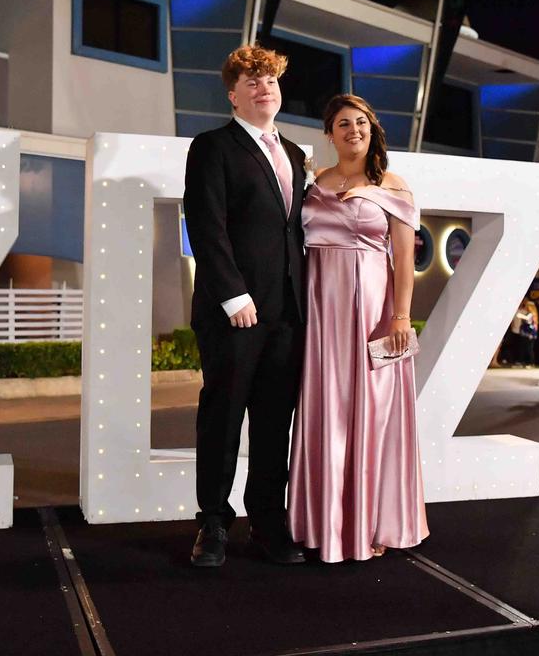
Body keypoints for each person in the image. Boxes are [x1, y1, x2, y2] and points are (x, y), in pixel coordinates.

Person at [287, 93, 428, 563]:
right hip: (321, 312)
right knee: (327, 412)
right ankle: (322, 524)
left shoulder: (393, 185)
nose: (354, 130)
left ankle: (372, 522)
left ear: (373, 130)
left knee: (372, 411)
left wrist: (401, 317)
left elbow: (404, 261)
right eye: (344, 123)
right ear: (330, 134)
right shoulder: (313, 184)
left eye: (362, 122)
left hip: (372, 309)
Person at [183, 45, 307, 567]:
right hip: (234, 310)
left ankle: (266, 521)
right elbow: (205, 226)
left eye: (270, 81)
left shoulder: (297, 156)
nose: (264, 88)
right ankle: (213, 523)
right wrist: (234, 294)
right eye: (252, 82)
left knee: (276, 421)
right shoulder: (212, 147)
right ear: (232, 94)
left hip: (287, 315)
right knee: (223, 416)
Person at [510, 297, 538, 367]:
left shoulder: (532, 314)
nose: (525, 306)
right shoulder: (527, 313)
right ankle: (521, 361)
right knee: (523, 348)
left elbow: (527, 319)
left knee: (529, 348)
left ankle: (531, 363)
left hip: (530, 334)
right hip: (525, 334)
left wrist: (520, 315)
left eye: (527, 306)